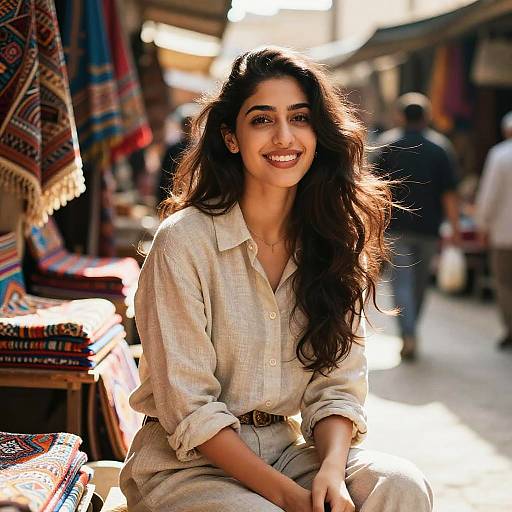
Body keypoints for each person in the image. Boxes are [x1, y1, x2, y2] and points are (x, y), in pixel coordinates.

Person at [120, 48, 433, 512]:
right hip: (185, 463)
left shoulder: (332, 241)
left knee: (401, 484)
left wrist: (330, 472)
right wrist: (292, 499)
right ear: (231, 136)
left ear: (318, 132)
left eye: (300, 117)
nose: (284, 137)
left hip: (288, 451)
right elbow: (190, 408)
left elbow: (337, 388)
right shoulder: (183, 242)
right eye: (262, 120)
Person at [373, 93, 460, 361]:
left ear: (400, 116)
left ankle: (407, 332)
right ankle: (410, 330)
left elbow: (373, 190)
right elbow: (449, 193)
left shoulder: (386, 145)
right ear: (428, 116)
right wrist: (455, 227)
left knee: (402, 284)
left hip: (394, 228)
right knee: (420, 285)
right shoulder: (441, 148)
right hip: (429, 228)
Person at [475, 111, 512, 350]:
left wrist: (483, 224)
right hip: (502, 232)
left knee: (505, 284)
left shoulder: (500, 155)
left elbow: (489, 195)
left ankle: (510, 328)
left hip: (504, 234)